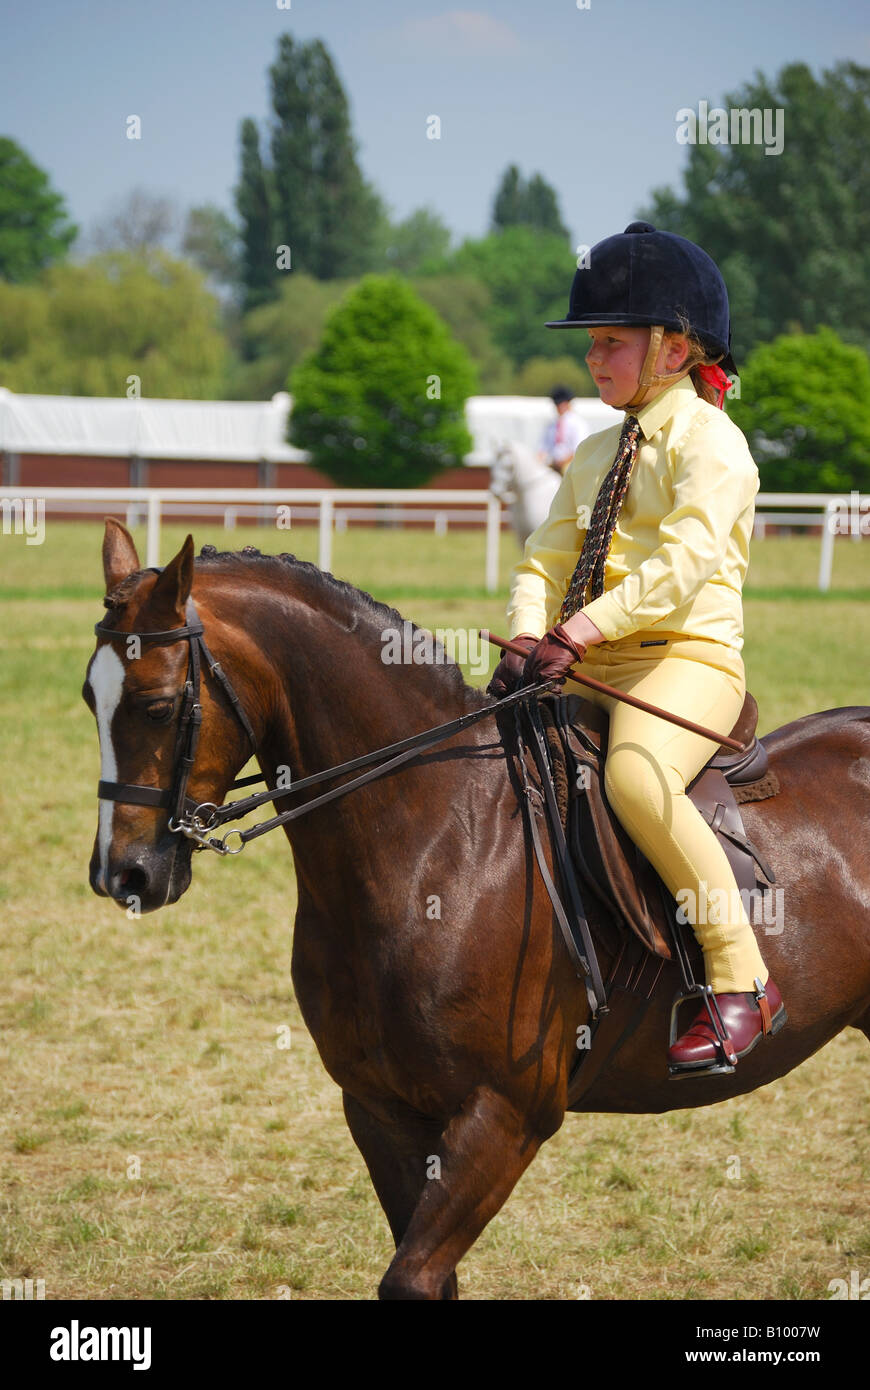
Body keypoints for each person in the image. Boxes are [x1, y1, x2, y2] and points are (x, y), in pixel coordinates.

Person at [489, 221, 786, 1078]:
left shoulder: (714, 446)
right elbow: (545, 557)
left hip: (687, 661)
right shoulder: (591, 454)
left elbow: (684, 564)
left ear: (674, 349)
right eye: (593, 345)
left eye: (612, 342)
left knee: (634, 778)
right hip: (588, 659)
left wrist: (577, 630)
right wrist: (523, 632)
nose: (595, 359)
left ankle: (742, 979)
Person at [537, 386, 588, 476]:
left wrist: (563, 461)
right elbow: (543, 448)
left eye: (561, 404)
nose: (559, 407)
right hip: (552, 463)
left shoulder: (578, 424)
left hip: (570, 463)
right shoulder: (551, 425)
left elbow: (579, 448)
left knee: (567, 473)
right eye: (557, 404)